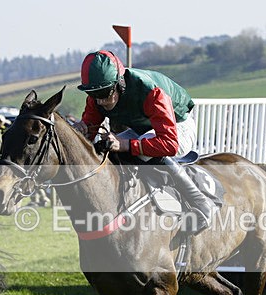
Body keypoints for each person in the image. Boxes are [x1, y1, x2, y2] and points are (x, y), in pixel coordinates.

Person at [75, 50, 214, 233]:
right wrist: (82, 130)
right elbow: (89, 132)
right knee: (105, 149)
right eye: (94, 94)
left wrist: (125, 145)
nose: (100, 100)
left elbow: (169, 144)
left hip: (178, 125)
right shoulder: (98, 95)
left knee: (135, 147)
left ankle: (201, 203)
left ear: (120, 83)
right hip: (145, 128)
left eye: (105, 92)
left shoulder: (151, 91)